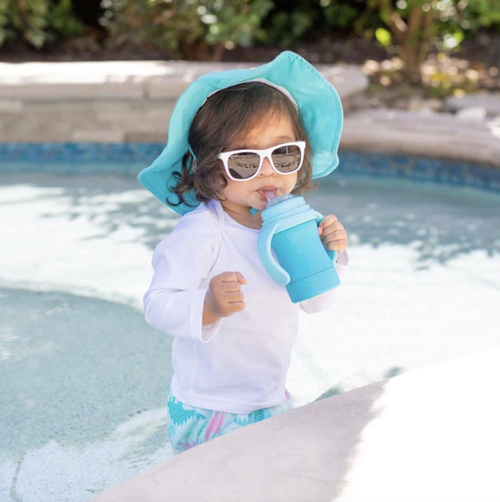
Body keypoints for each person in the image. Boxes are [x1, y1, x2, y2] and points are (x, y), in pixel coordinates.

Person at [138, 51, 349, 454]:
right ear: (207, 168)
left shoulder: (295, 226)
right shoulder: (204, 232)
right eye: (245, 160)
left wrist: (331, 256)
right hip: (209, 408)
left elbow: (316, 302)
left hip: (270, 398)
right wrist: (207, 306)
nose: (268, 171)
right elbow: (157, 304)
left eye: (283, 154)